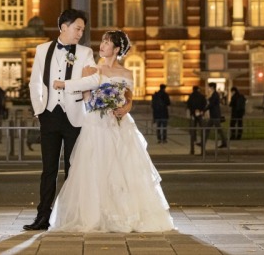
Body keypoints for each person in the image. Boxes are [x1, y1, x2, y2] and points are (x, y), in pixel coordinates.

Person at [49, 30, 173, 232]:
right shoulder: (91, 69)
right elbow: (86, 98)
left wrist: (125, 108)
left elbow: (129, 98)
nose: (103, 44)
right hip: (96, 124)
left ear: (116, 49)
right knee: (96, 167)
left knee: (123, 168)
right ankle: (96, 215)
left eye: (107, 42)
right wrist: (97, 104)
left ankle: (124, 214)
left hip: (121, 124)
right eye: (103, 41)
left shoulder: (127, 73)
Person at [23, 9, 97, 231]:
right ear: (64, 27)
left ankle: (71, 217)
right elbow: (35, 82)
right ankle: (42, 217)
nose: (80, 33)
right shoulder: (42, 49)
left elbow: (92, 80)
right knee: (49, 170)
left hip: (75, 116)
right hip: (49, 115)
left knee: (73, 169)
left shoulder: (85, 52)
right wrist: (40, 110)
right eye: (77, 28)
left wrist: (67, 85)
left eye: (83, 30)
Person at [201, 82, 227, 149]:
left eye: (209, 87)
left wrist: (204, 110)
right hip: (214, 115)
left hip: (215, 115)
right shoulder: (214, 94)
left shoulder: (215, 94)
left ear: (212, 87)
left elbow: (211, 104)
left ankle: (224, 142)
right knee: (208, 129)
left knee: (218, 130)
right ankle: (203, 143)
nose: (208, 88)